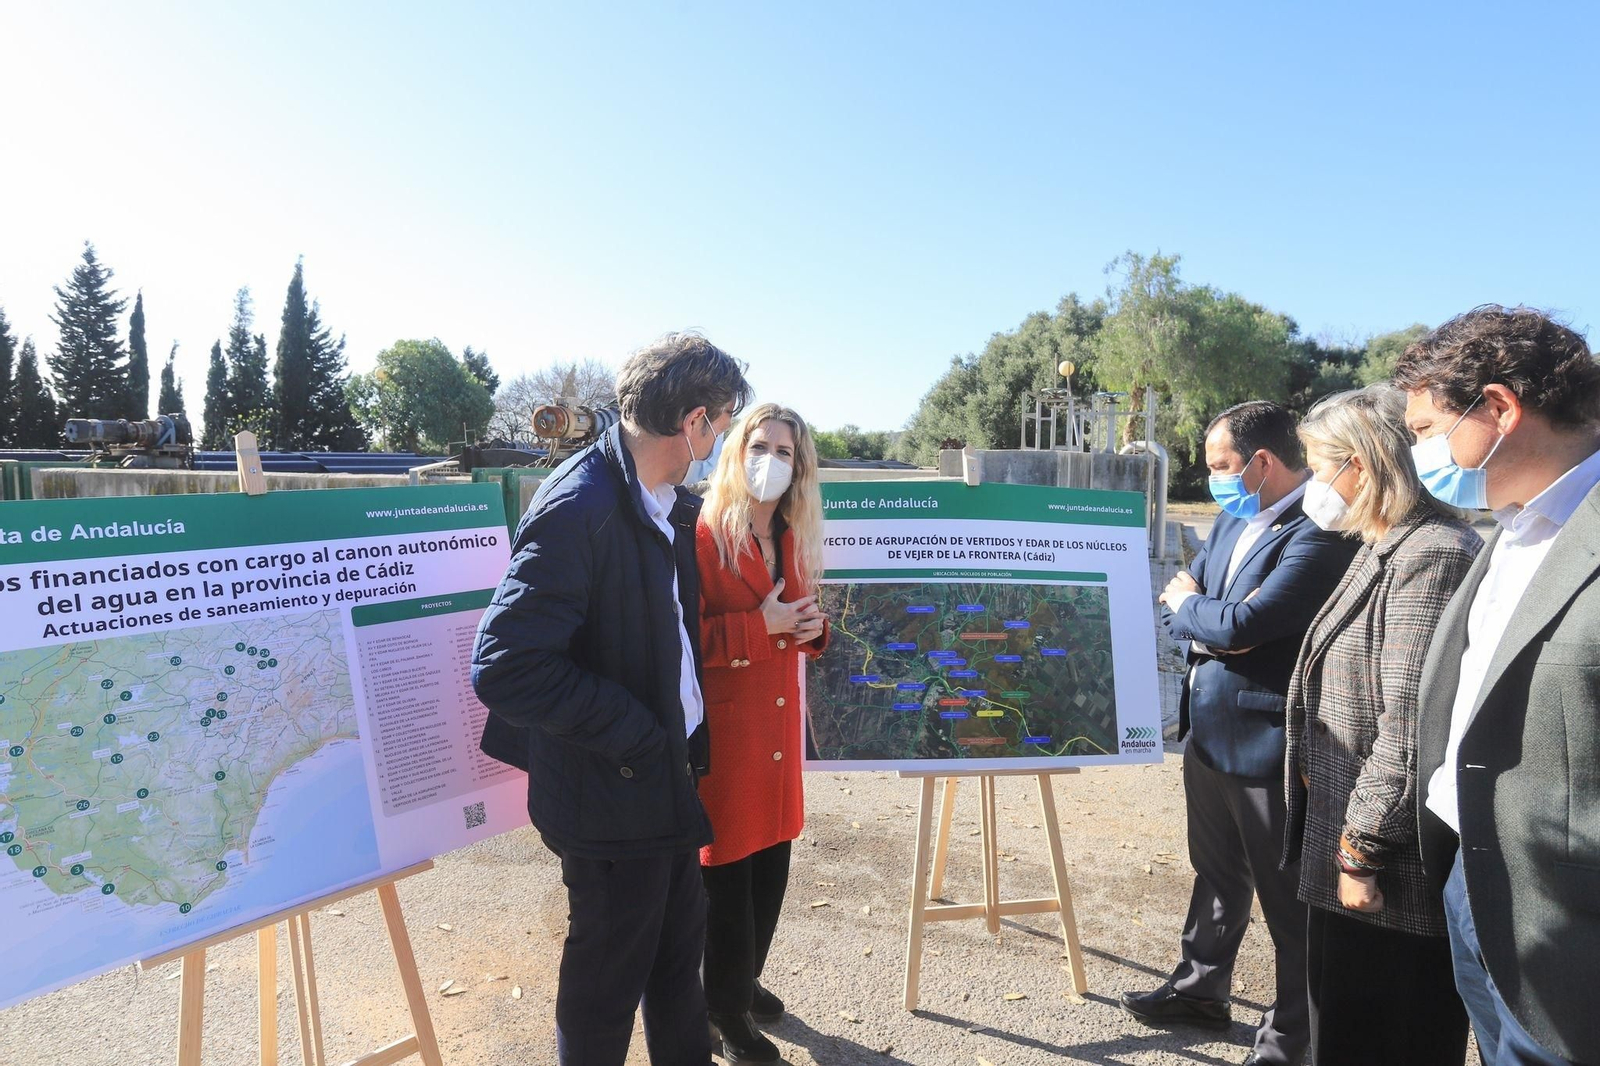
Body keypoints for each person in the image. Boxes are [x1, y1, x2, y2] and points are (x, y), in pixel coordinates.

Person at [471, 332, 751, 1066]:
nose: (723, 436)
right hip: (611, 792)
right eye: (721, 421)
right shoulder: (581, 507)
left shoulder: (659, 500)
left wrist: (671, 742)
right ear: (692, 422)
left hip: (658, 781)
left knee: (675, 972)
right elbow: (506, 666)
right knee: (604, 991)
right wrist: (635, 732)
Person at [1122, 400, 1358, 1066]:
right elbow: (1193, 605)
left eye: (1222, 465)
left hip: (1269, 749)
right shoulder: (1233, 518)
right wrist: (1203, 615)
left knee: (1290, 906)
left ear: (1262, 461)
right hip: (1207, 733)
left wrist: (1200, 613)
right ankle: (1201, 989)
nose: (1215, 479)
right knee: (1217, 873)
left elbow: (1244, 626)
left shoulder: (1320, 533)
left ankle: (1291, 1040)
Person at [1396, 305, 1600, 1066]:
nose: (1418, 453)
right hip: (1469, 878)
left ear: (1500, 408)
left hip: (1569, 925)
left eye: (1424, 431)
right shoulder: (1512, 528)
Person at [1280, 385, 1480, 1064]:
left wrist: (1359, 848)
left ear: (1361, 464)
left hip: (1386, 872)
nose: (1314, 483)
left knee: (1384, 1036)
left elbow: (1410, 723)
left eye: (1317, 465)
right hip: (1345, 843)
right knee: (1340, 1031)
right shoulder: (1383, 541)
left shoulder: (1434, 552)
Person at [693, 403, 829, 1064]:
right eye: (761, 445)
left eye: (785, 452)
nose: (771, 461)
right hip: (728, 745)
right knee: (727, 885)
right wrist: (764, 627)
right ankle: (721, 1007)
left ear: (799, 468)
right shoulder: (700, 534)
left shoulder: (792, 533)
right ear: (735, 449)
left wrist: (812, 630)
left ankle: (740, 979)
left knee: (771, 870)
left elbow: (799, 617)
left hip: (776, 743)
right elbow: (682, 641)